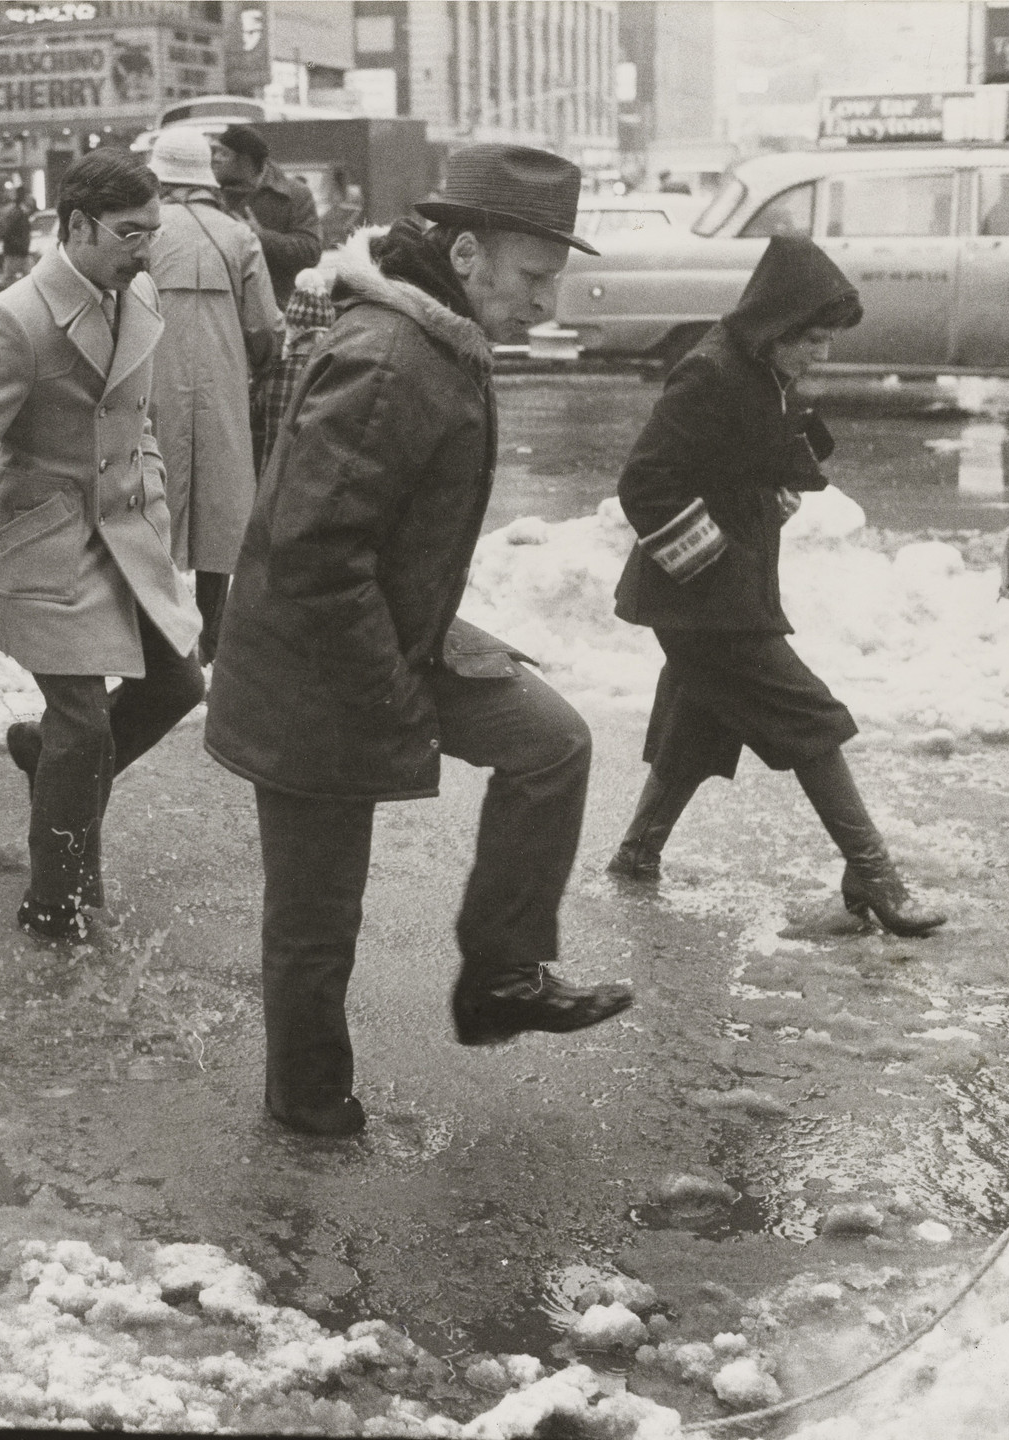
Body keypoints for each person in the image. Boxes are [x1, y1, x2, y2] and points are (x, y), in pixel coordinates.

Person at [203, 145, 632, 1138]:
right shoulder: (394, 356)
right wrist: (390, 696)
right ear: (470, 254)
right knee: (317, 920)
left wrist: (417, 654)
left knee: (549, 742)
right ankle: (307, 1110)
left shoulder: (435, 336)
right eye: (532, 279)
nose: (544, 305)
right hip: (315, 668)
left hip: (391, 635)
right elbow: (313, 558)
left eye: (553, 282)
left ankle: (500, 978)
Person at [0, 147, 203, 944]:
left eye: (151, 231)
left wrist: (153, 495)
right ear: (77, 226)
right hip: (49, 547)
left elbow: (139, 419)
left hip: (127, 537)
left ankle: (44, 758)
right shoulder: (13, 319)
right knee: (85, 726)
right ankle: (53, 898)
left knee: (177, 686)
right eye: (129, 233)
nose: (145, 249)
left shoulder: (140, 291)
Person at [607, 235, 946, 939]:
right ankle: (871, 873)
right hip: (704, 597)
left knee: (696, 723)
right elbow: (645, 482)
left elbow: (737, 455)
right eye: (814, 340)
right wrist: (713, 562)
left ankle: (635, 855)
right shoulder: (709, 373)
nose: (821, 354)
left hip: (726, 592)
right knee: (812, 721)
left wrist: (773, 482)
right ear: (776, 327)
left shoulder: (757, 368)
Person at [145, 129, 280, 663]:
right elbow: (266, 326)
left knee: (156, 495)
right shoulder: (239, 236)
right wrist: (256, 366)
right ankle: (214, 637)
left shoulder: (145, 235)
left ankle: (160, 635)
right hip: (225, 385)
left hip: (152, 380)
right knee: (221, 504)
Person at [211, 125, 324, 310]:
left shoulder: (294, 195)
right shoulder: (211, 194)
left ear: (245, 162)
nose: (215, 159)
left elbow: (311, 252)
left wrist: (260, 236)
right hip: (224, 310)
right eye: (214, 152)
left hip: (276, 310)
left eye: (224, 154)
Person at [250, 270, 334, 477]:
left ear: (293, 331)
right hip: (309, 477)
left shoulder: (274, 371)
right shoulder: (327, 375)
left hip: (271, 477)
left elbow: (250, 414)